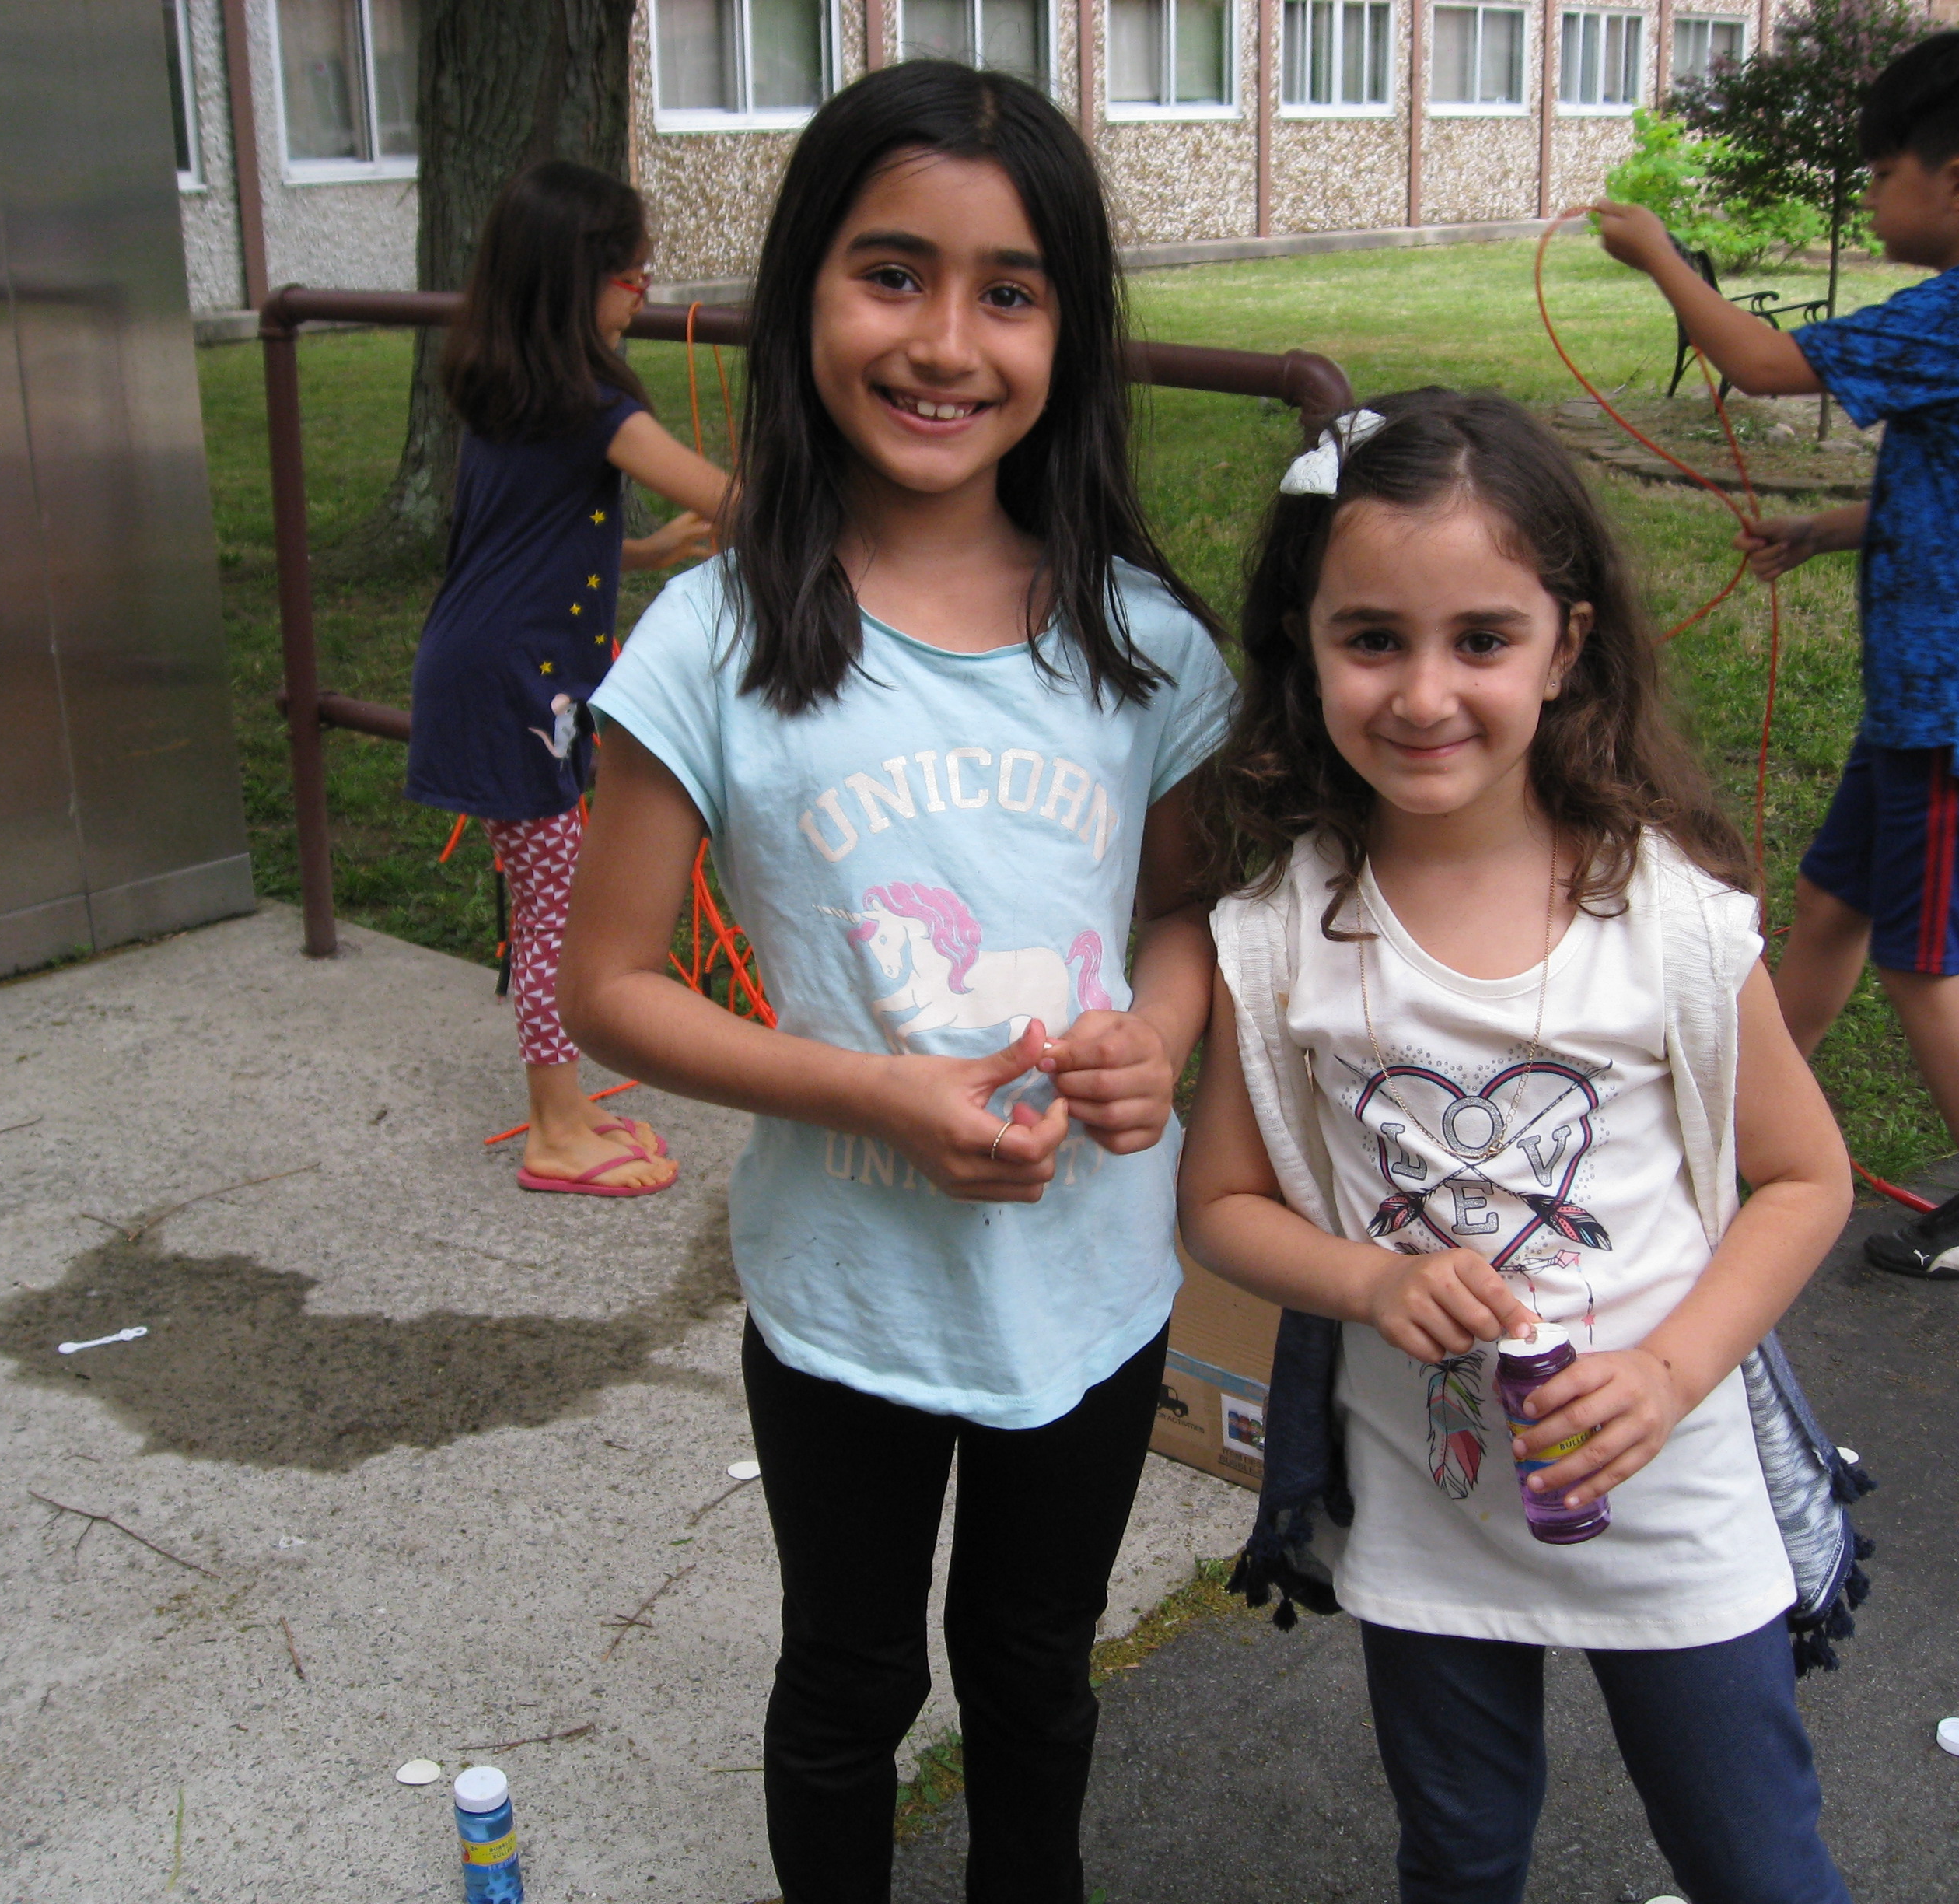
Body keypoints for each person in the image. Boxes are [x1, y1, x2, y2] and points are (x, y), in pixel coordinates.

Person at [559, 62, 1233, 1904]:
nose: (947, 341)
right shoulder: (710, 636)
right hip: (844, 1293)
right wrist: (876, 1092)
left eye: (1008, 290)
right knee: (849, 1677)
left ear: (1069, 332)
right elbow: (607, 983)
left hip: (1090, 1292)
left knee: (1035, 1672)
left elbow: (1188, 917)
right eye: (892, 273)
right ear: (802, 299)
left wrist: (1153, 1041)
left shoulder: (1140, 640)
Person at [1177, 388, 1857, 1904]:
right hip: (1434, 1494)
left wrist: (1676, 1376)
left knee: (1753, 1854)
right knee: (1462, 1852)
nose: (1425, 693)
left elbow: (1804, 1180)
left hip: (1667, 1483)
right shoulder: (1287, 934)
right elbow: (1218, 1203)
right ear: (1305, 645)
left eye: (1481, 639)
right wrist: (1362, 1282)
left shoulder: (1664, 917)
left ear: (1570, 644)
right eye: (1373, 639)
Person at [1593, 30, 1959, 1281]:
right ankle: (1750, 1132)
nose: (1867, 198)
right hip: (1925, 700)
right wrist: (1822, 531)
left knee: (1924, 966)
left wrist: (1657, 256)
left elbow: (1759, 366)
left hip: (1955, 713)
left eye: (1879, 175)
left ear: (1957, 183)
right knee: (1828, 910)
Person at [404, 159, 730, 1197]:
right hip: (512, 686)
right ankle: (555, 1128)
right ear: (581, 280)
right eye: (635, 274)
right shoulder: (589, 405)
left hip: (488, 664)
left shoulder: (508, 385)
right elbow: (732, 496)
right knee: (557, 905)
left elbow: (517, 540)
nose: (642, 293)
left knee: (550, 889)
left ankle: (565, 1101)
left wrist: (641, 556)